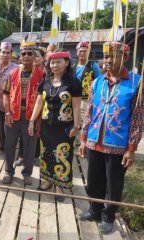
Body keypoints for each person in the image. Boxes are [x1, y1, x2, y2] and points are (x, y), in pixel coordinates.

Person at [77, 41, 143, 234]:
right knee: (93, 179)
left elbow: (138, 118)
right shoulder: (97, 82)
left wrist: (131, 149)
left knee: (114, 183)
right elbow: (89, 113)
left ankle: (108, 216)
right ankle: (95, 210)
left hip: (118, 143)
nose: (108, 60)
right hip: (93, 141)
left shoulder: (136, 82)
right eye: (106, 56)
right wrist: (83, 139)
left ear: (126, 58)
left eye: (113, 55)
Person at [28, 49, 81, 201]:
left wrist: (76, 126)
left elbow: (76, 106)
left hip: (64, 127)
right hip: (46, 126)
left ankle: (59, 186)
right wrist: (32, 120)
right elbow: (39, 102)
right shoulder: (45, 81)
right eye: (52, 62)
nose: (55, 65)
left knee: (62, 155)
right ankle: (47, 180)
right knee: (46, 153)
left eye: (59, 62)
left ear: (66, 63)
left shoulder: (73, 83)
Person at [2, 42, 44, 185]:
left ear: (34, 56)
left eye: (29, 53)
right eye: (24, 54)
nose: (26, 56)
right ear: (20, 56)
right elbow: (5, 94)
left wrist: (38, 119)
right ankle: (8, 171)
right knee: (9, 145)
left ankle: (27, 173)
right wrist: (6, 112)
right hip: (13, 115)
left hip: (31, 117)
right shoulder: (12, 73)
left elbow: (43, 98)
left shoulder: (42, 75)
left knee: (29, 146)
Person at [73, 41, 102, 121]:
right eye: (80, 51)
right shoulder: (73, 67)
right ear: (77, 52)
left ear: (88, 52)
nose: (82, 53)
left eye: (84, 51)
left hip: (85, 99)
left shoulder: (93, 66)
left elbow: (99, 83)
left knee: (83, 122)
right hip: (73, 99)